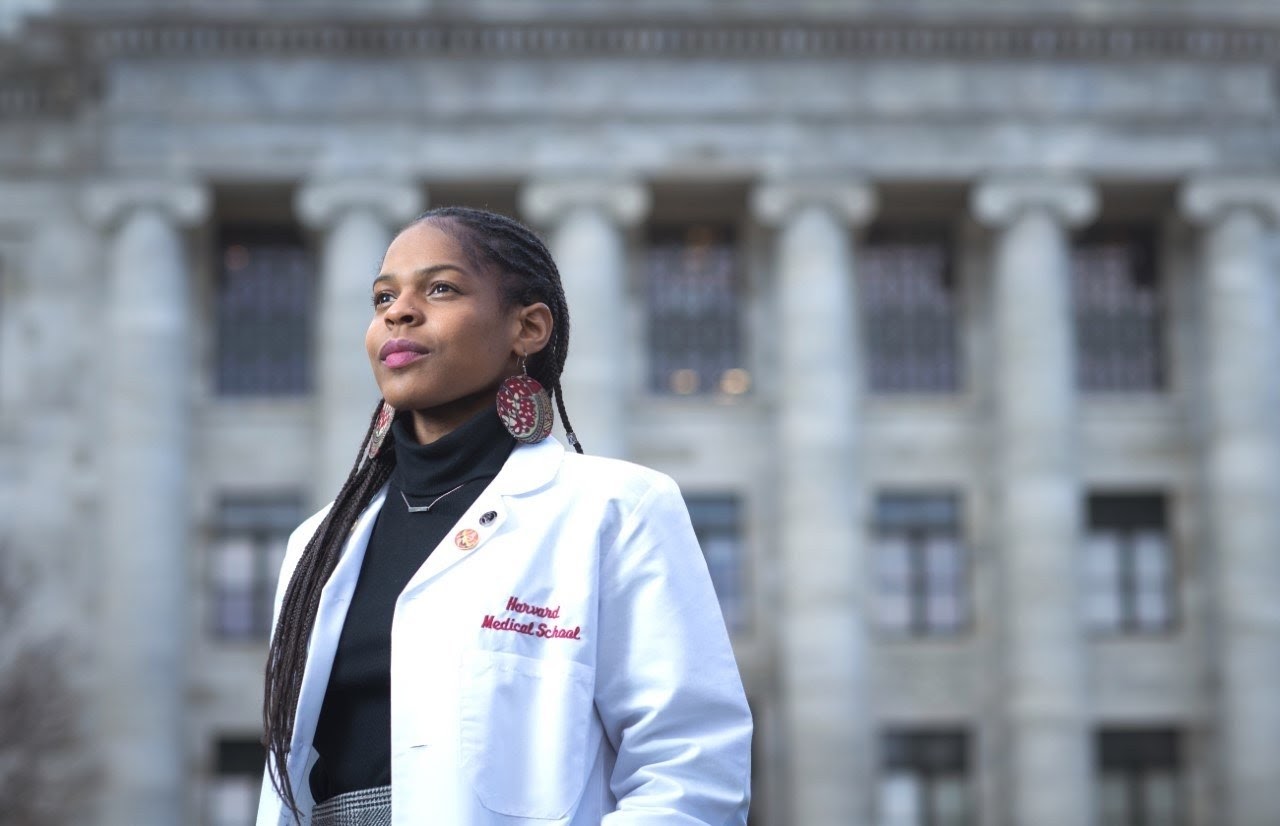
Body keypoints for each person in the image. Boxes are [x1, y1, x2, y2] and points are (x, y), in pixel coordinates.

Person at [255, 206, 752, 825]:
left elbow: (689, 766)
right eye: (383, 296)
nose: (398, 312)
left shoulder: (614, 509)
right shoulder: (317, 545)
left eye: (440, 288)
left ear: (529, 328)